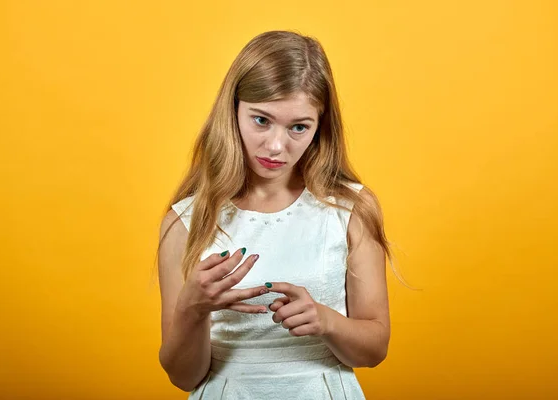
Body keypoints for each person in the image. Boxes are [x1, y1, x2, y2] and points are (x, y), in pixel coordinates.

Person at [157, 30, 392, 399]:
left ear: (320, 127)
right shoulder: (186, 220)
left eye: (299, 127)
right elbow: (183, 378)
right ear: (232, 109)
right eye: (261, 120)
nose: (276, 146)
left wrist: (327, 322)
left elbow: (375, 350)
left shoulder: (350, 208)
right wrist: (192, 309)